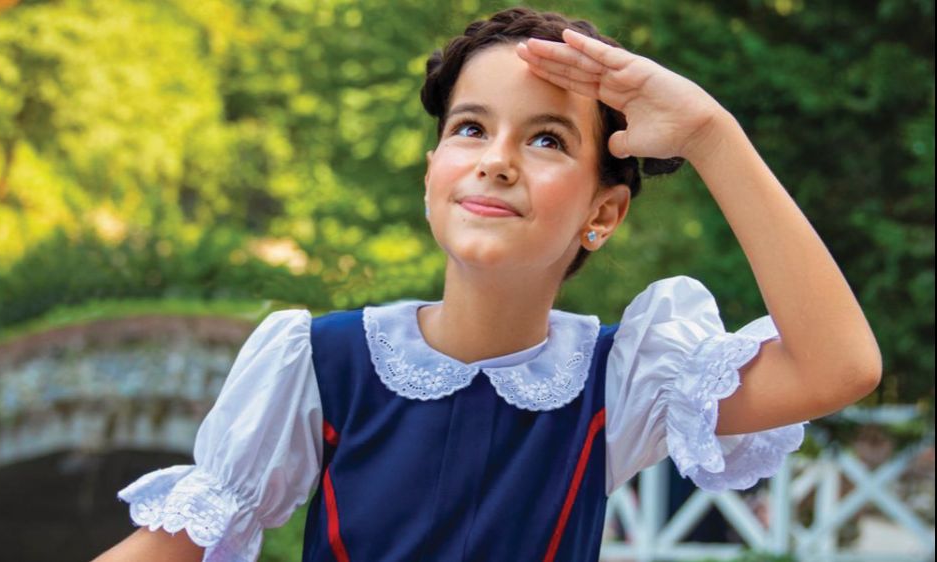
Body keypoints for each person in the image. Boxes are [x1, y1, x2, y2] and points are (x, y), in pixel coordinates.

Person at [94, 6, 882, 562]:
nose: (496, 158)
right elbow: (167, 549)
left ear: (602, 212)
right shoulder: (319, 364)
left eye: (545, 137)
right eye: (469, 128)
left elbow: (839, 366)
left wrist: (712, 134)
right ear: (431, 170)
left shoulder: (624, 381)